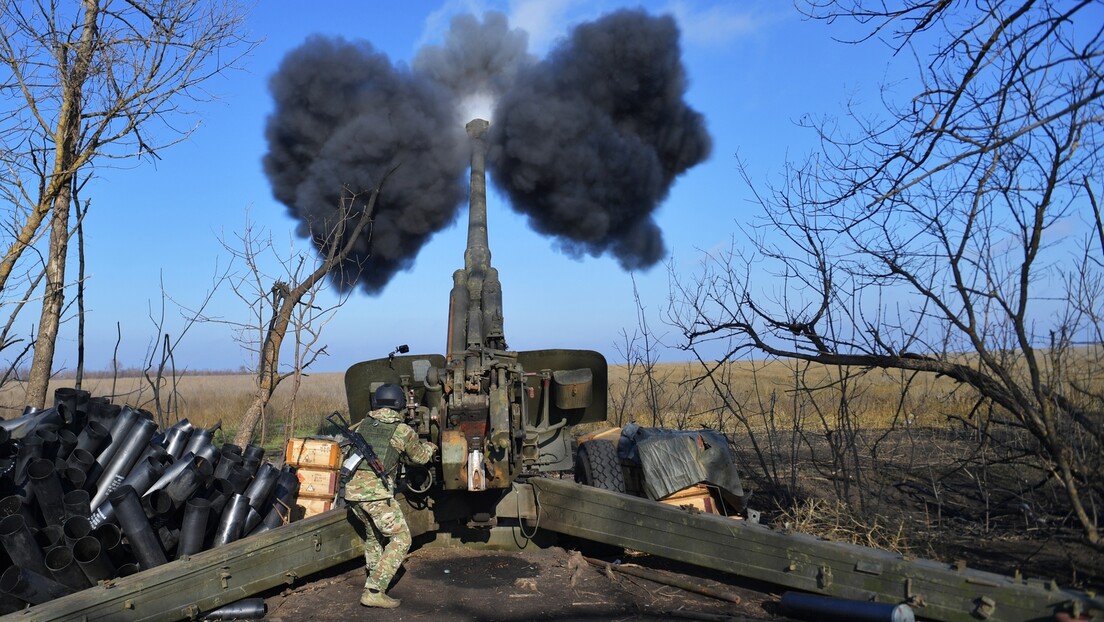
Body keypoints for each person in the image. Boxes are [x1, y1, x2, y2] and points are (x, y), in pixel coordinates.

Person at [343, 383, 436, 609]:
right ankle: (374, 589)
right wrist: (431, 447)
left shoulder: (362, 424)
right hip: (375, 494)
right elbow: (421, 458)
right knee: (402, 539)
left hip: (352, 494)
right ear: (400, 405)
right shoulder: (402, 430)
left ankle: (377, 576)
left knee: (375, 536)